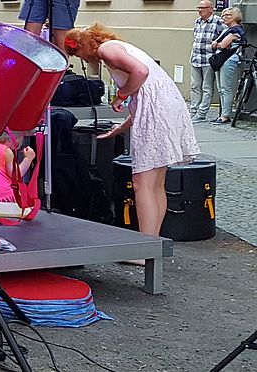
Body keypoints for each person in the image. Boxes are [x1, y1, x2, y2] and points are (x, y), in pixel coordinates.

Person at [64, 24, 200, 249]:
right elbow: (143, 93)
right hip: (165, 107)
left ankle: (145, 249)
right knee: (156, 184)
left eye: (77, 54)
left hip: (156, 111)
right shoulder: (117, 47)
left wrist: (120, 96)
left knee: (142, 184)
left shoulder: (107, 50)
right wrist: (121, 127)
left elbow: (141, 73)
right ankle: (153, 245)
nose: (82, 60)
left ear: (82, 47)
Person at [212, 7, 247, 124]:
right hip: (222, 59)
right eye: (223, 15)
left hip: (229, 59)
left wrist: (218, 44)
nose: (225, 18)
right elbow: (215, 43)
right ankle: (223, 113)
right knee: (221, 88)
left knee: (225, 88)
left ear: (235, 17)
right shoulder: (227, 30)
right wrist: (218, 44)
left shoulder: (236, 30)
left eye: (228, 15)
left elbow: (221, 45)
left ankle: (226, 115)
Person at [190, 0, 223, 121]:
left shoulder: (218, 22)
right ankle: (193, 110)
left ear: (211, 9)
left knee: (207, 87)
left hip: (208, 59)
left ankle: (202, 112)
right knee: (195, 86)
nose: (200, 10)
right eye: (198, 8)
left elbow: (223, 38)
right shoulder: (197, 21)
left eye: (202, 8)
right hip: (196, 57)